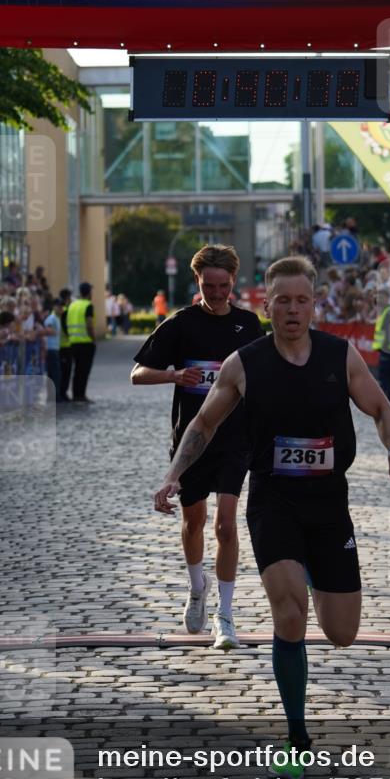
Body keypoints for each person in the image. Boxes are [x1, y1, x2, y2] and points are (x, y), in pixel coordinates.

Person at [154, 255, 390, 779]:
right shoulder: (244, 363)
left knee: (342, 632)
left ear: (313, 304)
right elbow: (203, 423)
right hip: (273, 501)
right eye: (283, 300)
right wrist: (173, 474)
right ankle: (297, 737)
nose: (293, 310)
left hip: (328, 504)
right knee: (289, 615)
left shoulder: (339, 355)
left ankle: (320, 575)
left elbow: (383, 410)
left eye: (302, 300)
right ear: (266, 304)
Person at [133, 245, 263, 649]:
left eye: (224, 285)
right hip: (192, 437)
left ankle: (225, 616)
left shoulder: (248, 324)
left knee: (226, 523)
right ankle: (197, 587)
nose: (218, 293)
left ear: (233, 283)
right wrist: (174, 376)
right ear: (197, 282)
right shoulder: (180, 323)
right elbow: (138, 374)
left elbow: (262, 379)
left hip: (236, 437)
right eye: (210, 286)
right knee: (194, 522)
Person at [67, 282, 96, 402]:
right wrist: (93, 338)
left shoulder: (72, 305)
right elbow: (89, 324)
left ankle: (75, 394)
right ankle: (81, 395)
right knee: (84, 371)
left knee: (76, 370)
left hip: (73, 342)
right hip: (86, 342)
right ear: (89, 292)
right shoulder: (88, 305)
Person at [372, 288, 390, 407]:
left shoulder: (389, 312)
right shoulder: (385, 311)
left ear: (387, 298)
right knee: (388, 376)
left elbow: (389, 332)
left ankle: (388, 402)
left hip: (387, 348)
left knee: (385, 376)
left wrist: (384, 347)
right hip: (386, 348)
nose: (378, 299)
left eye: (381, 297)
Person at [59, 287, 73, 402]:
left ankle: (62, 393)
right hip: (64, 346)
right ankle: (62, 393)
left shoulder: (62, 309)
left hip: (63, 345)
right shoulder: (64, 310)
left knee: (64, 371)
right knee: (65, 371)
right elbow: (65, 328)